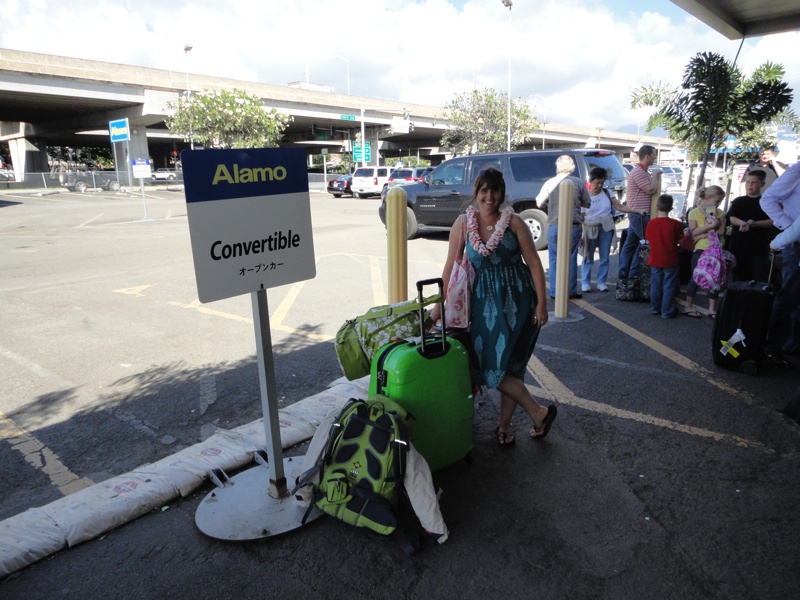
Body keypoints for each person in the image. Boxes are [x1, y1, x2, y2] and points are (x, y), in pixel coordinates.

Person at [432, 168, 556, 446]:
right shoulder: (463, 224)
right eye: (484, 190)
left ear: (502, 193)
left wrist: (542, 305)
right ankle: (538, 412)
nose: (490, 196)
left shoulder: (513, 222)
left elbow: (535, 263)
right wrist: (438, 304)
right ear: (475, 193)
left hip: (520, 302)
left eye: (495, 190)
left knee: (510, 365)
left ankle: (504, 426)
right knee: (489, 365)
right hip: (484, 304)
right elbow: (450, 266)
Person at [581, 166, 647, 292]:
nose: (599, 186)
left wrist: (636, 211)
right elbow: (581, 217)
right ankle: (585, 282)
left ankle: (601, 282)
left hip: (606, 227)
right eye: (596, 183)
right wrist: (580, 234)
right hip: (590, 228)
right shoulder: (585, 196)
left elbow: (620, 207)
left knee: (604, 257)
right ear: (590, 181)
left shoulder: (607, 193)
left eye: (602, 182)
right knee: (588, 257)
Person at [761, 161, 800, 369]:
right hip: (794, 243)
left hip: (793, 238)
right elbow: (768, 200)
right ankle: (773, 348)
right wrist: (788, 229)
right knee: (788, 296)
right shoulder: (797, 171)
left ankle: (792, 344)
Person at [536, 155, 590, 299]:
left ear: (557, 166)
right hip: (573, 226)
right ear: (572, 166)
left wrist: (552, 203)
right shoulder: (578, 183)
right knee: (571, 258)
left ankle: (554, 291)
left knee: (554, 259)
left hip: (554, 225)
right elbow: (588, 203)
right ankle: (570, 291)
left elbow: (539, 203)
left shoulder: (549, 183)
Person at [682, 185, 727, 318]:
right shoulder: (694, 212)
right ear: (707, 198)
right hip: (701, 249)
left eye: (720, 202)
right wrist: (711, 227)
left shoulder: (720, 213)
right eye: (717, 201)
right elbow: (693, 231)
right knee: (695, 277)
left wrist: (706, 233)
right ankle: (688, 306)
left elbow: (721, 232)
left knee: (715, 278)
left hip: (716, 248)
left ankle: (712, 308)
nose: (719, 204)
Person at [726, 169, 776, 282]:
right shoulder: (738, 201)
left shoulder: (766, 202)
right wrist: (742, 223)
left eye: (754, 182)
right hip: (738, 247)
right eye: (748, 182)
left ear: (762, 184)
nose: (750, 185)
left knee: (757, 279)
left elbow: (772, 220)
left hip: (759, 248)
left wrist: (755, 223)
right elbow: (732, 218)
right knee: (737, 279)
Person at [618, 145, 660, 281]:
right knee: (645, 242)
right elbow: (650, 190)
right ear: (647, 156)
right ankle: (633, 273)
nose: (655, 158)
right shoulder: (639, 173)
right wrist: (655, 175)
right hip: (640, 214)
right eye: (654, 155)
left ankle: (624, 272)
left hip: (636, 213)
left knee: (631, 243)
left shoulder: (640, 172)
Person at [645, 194, 684, 319]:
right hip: (670, 258)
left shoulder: (651, 223)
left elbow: (648, 239)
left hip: (655, 258)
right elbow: (681, 240)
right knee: (669, 285)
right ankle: (667, 310)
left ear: (656, 207)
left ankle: (655, 308)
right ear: (671, 208)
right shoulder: (675, 224)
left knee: (656, 284)